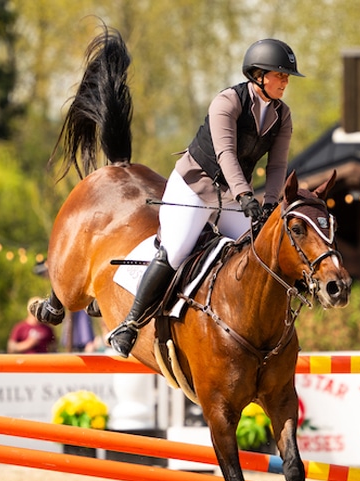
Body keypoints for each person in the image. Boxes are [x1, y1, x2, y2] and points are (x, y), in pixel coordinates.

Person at [106, 38, 303, 358]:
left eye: (286, 77)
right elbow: (226, 154)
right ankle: (130, 325)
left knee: (258, 252)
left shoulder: (282, 114)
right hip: (195, 185)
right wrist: (245, 195)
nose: (285, 82)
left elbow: (278, 164)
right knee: (178, 248)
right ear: (258, 75)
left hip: (232, 193)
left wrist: (269, 202)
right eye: (280, 75)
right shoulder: (227, 102)